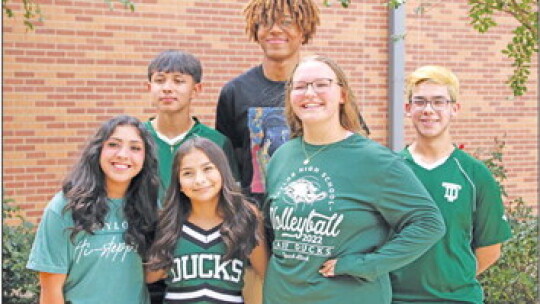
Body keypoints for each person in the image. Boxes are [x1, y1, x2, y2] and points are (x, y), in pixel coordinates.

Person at [262, 55, 446, 304]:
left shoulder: (374, 160)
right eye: (301, 86)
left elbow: (428, 223)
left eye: (322, 84)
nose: (310, 93)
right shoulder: (281, 157)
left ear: (342, 95)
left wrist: (366, 265)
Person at [390, 65, 512, 303]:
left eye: (438, 102)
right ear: (408, 109)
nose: (428, 110)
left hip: (458, 299)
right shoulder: (390, 171)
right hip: (396, 298)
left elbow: (490, 249)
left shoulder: (475, 175)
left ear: (454, 109)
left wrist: (452, 280)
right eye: (420, 102)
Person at [26, 115, 160, 304]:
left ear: (145, 158)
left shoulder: (149, 206)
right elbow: (50, 291)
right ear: (98, 150)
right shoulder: (64, 208)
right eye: (113, 144)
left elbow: (149, 276)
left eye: (135, 148)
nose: (123, 154)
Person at [216, 0, 320, 206]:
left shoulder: (323, 88)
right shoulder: (234, 93)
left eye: (286, 22)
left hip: (315, 219)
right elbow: (226, 165)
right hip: (254, 220)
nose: (274, 30)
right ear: (255, 30)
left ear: (304, 29)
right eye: (266, 22)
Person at [145, 137, 268, 303]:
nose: (199, 180)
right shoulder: (167, 221)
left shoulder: (245, 217)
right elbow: (150, 277)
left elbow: (266, 274)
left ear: (223, 171)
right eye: (188, 173)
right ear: (178, 183)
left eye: (207, 168)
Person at [145, 49, 239, 196]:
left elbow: (229, 196)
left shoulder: (216, 142)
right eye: (160, 80)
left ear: (196, 90)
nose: (167, 88)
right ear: (149, 88)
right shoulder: (136, 139)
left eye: (178, 81)